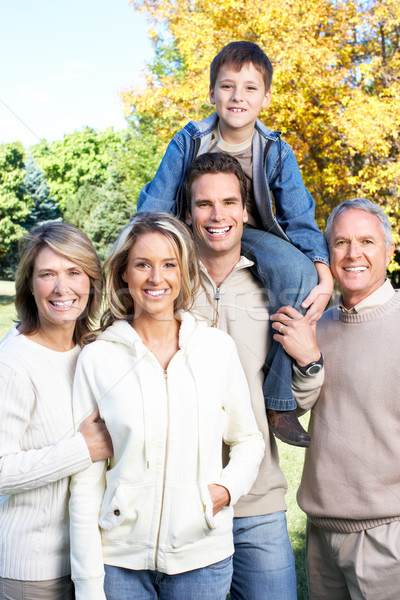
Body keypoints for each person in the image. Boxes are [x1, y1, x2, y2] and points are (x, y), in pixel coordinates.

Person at [137, 40, 332, 446]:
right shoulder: (189, 140)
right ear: (212, 94)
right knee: (148, 272)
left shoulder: (276, 149)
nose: (237, 97)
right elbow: (156, 203)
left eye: (250, 88)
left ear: (266, 97)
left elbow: (299, 217)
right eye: (227, 86)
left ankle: (278, 401)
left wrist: (324, 273)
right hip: (191, 228)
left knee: (298, 271)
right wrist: (146, 252)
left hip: (250, 233)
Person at [69, 212, 264, 600]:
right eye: (143, 264)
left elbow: (248, 440)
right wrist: (89, 584)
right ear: (124, 273)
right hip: (119, 565)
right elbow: (85, 479)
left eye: (169, 265)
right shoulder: (97, 358)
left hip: (202, 562)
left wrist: (224, 490)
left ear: (184, 272)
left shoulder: (216, 349)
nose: (156, 278)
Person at [181, 152, 323, 600]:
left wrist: (309, 362)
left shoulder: (278, 287)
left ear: (246, 211)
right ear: (188, 212)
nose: (217, 215)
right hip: (181, 500)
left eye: (229, 203)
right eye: (204, 204)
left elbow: (297, 400)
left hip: (257, 502)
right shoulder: (167, 285)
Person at [272, 198, 400, 599]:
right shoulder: (315, 327)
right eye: (341, 242)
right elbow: (288, 411)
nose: (353, 253)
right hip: (321, 533)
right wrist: (309, 360)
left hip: (387, 538)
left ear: (389, 250)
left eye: (366, 241)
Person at [0, 222, 113, 600]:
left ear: (92, 282)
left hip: (90, 563)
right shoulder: (14, 362)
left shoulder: (91, 352)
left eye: (74, 272)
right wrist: (83, 448)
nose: (62, 288)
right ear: (30, 285)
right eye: (47, 274)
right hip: (31, 572)